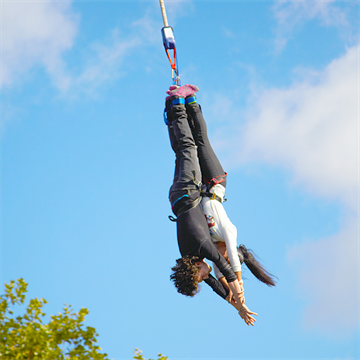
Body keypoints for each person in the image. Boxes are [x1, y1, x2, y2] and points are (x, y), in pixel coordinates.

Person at [164, 84, 257, 325]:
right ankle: (172, 109)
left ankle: (177, 103)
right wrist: (234, 303)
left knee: (189, 147)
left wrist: (241, 301)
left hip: (188, 189)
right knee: (181, 151)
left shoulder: (203, 246)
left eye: (199, 278)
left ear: (195, 269)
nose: (205, 278)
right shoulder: (189, 254)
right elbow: (215, 282)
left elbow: (226, 270)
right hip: (177, 197)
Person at [182, 87, 276, 306]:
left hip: (198, 187)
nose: (220, 258)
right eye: (224, 257)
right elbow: (232, 262)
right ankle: (192, 101)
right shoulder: (228, 234)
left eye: (220, 261)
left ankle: (181, 109)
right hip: (215, 183)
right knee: (202, 141)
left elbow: (216, 279)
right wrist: (240, 284)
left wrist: (236, 304)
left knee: (190, 146)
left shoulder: (210, 243)